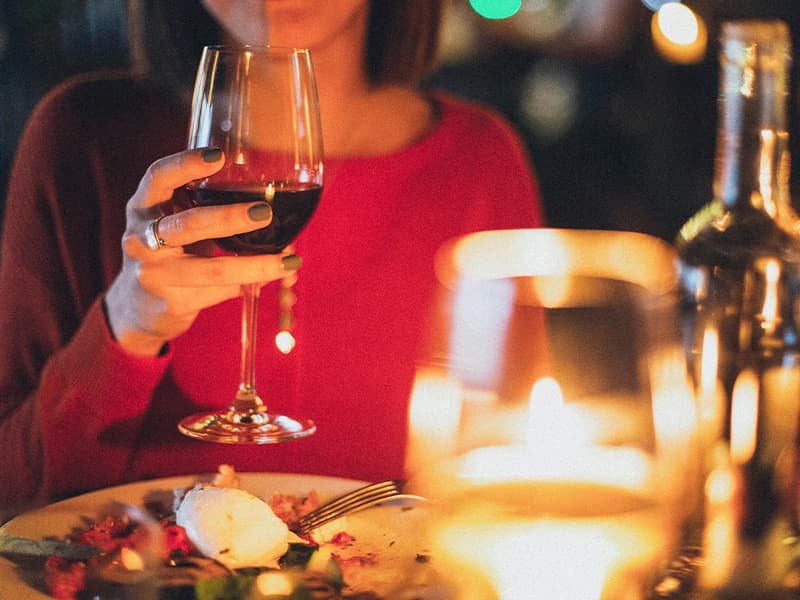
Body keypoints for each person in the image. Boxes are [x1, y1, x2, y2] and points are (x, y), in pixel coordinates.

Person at [0, 0, 544, 514]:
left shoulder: (479, 163)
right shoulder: (80, 137)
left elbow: (511, 485)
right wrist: (124, 329)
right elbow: (13, 493)